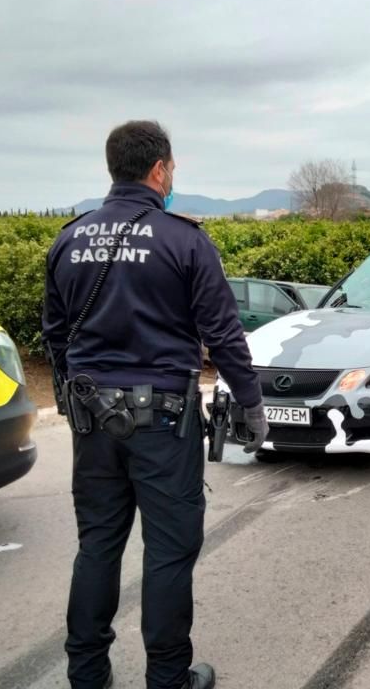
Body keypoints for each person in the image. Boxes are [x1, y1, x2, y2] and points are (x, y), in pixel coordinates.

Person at [42, 121, 267, 689]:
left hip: (93, 422)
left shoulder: (69, 240)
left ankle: (86, 676)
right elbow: (224, 334)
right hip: (163, 422)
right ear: (160, 170)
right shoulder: (184, 240)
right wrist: (250, 402)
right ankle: (168, 678)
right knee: (168, 553)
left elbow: (55, 335)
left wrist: (74, 398)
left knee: (97, 546)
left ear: (111, 168)